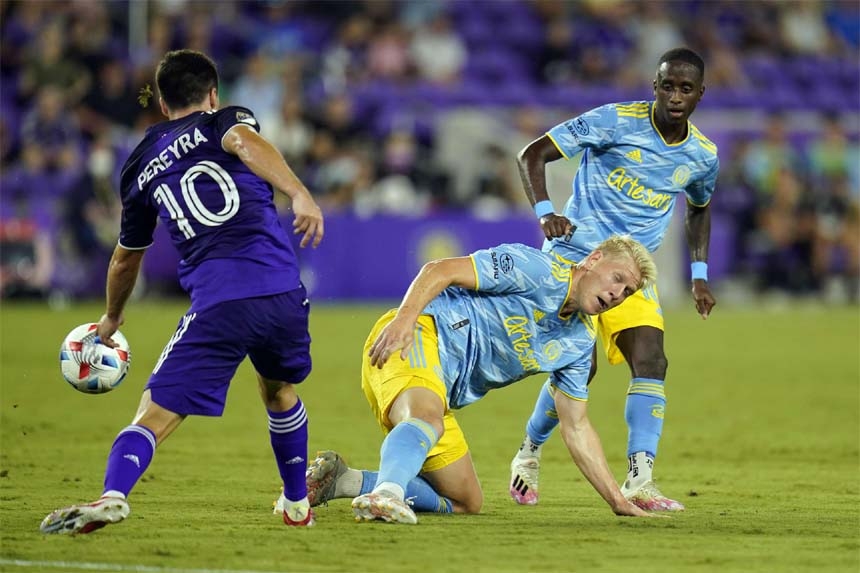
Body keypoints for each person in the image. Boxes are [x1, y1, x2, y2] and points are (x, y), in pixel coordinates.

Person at [40, 49, 324, 534]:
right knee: (279, 389)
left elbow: (126, 257)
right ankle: (297, 504)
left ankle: (111, 495)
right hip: (282, 293)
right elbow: (244, 141)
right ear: (212, 94)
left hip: (220, 301)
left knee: (154, 411)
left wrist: (111, 318)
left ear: (163, 104)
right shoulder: (225, 121)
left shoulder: (138, 166)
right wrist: (299, 192)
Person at [289, 235, 659, 524]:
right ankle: (387, 494)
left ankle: (343, 480)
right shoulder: (536, 269)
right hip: (416, 335)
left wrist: (617, 500)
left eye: (628, 292)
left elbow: (576, 427)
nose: (617, 294)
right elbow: (438, 269)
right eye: (617, 279)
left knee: (466, 501)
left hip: (441, 387)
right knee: (426, 418)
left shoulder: (580, 341)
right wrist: (404, 319)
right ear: (593, 259)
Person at [507, 47, 718, 512]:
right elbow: (533, 154)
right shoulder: (614, 121)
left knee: (653, 360)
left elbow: (700, 208)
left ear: (701, 93)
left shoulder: (702, 155)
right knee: (578, 367)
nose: (675, 96)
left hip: (633, 274)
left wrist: (699, 274)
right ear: (655, 86)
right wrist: (546, 213)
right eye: (667, 86)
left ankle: (640, 479)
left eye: (686, 88)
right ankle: (528, 451)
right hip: (577, 264)